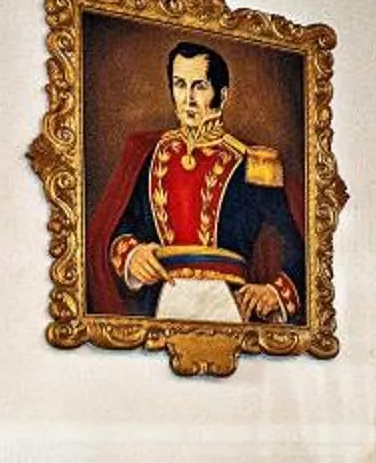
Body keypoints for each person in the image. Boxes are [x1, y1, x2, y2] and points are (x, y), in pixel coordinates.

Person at [87, 42, 304, 324]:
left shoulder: (253, 163)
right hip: (157, 303)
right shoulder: (149, 154)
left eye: (199, 86)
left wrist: (274, 292)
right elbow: (121, 227)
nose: (188, 98)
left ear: (221, 95)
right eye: (180, 84)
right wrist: (133, 255)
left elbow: (293, 241)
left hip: (228, 306)